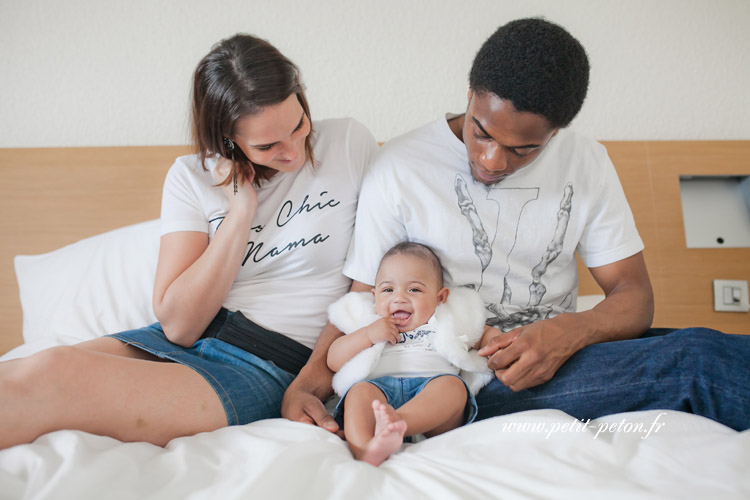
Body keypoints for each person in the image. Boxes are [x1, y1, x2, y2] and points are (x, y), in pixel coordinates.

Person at [340, 18, 750, 431]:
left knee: (710, 346)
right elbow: (358, 303)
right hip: (460, 377)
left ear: (556, 133)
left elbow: (635, 296)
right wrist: (305, 387)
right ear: (470, 95)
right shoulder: (399, 166)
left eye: (524, 150)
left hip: (563, 358)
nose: (492, 161)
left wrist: (570, 331)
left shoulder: (586, 162)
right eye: (480, 132)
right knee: (700, 362)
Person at [0, 33, 378, 449]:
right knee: (33, 368)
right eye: (267, 145)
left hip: (268, 365)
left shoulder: (348, 144)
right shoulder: (191, 177)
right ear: (228, 140)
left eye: (299, 124)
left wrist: (310, 383)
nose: (294, 152)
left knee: (58, 378)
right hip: (190, 339)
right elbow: (179, 326)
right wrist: (239, 215)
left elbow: (365, 283)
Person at [326, 242, 490, 466]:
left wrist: (499, 340)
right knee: (359, 392)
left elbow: (481, 335)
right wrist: (368, 335)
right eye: (388, 290)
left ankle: (399, 421)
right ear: (374, 296)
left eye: (414, 289)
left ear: (440, 298)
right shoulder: (369, 322)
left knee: (453, 388)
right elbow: (334, 360)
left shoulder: (444, 320)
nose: (399, 298)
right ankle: (366, 449)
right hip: (380, 393)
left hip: (431, 392)